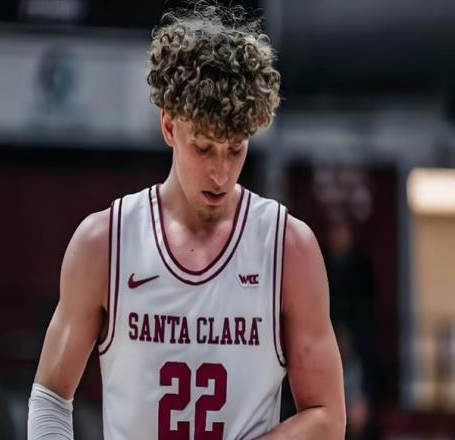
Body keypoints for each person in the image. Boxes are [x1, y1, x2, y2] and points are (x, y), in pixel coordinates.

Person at [28, 3, 346, 439]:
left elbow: (327, 416)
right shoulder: (104, 243)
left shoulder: (288, 248)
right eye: (203, 149)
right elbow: (50, 398)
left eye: (235, 150)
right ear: (168, 126)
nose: (220, 172)